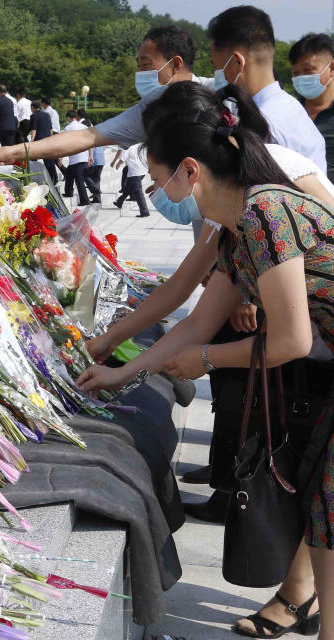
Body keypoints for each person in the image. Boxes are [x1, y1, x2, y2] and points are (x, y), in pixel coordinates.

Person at [80, 81, 334, 640]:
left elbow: (289, 339)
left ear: (189, 170)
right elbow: (194, 320)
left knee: (328, 514)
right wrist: (123, 372)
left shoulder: (266, 213)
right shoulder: (234, 227)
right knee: (323, 515)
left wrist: (208, 359)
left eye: (156, 174)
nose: (153, 187)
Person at [0, 26, 206, 167]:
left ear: (176, 64)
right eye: (138, 66)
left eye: (146, 65)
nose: (140, 73)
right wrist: (14, 151)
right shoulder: (151, 108)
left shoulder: (217, 94)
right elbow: (85, 137)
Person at [207, 6, 325, 174]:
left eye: (218, 67)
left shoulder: (262, 126)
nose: (218, 76)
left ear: (238, 63)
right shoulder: (293, 108)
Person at [290, 33, 334, 183]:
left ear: (332, 68)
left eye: (308, 70)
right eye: (296, 73)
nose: (301, 77)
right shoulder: (289, 112)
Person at [61, 111, 91, 204]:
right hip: (83, 155)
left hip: (75, 157)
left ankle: (85, 200)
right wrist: (90, 155)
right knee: (69, 173)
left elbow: (63, 144)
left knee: (79, 180)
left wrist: (60, 157)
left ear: (69, 118)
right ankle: (68, 192)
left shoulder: (68, 128)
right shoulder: (84, 127)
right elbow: (90, 142)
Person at [112, 144, 150, 216]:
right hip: (142, 171)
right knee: (128, 188)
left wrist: (118, 164)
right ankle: (119, 202)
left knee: (138, 191)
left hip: (135, 171)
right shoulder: (140, 145)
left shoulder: (127, 146)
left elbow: (123, 158)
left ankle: (144, 212)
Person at [28, 101, 57, 183]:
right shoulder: (47, 114)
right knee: (49, 161)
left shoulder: (33, 116)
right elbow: (50, 128)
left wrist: (32, 141)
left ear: (33, 107)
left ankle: (33, 179)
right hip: (48, 139)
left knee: (33, 160)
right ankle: (54, 179)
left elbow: (34, 129)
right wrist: (51, 138)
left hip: (39, 141)